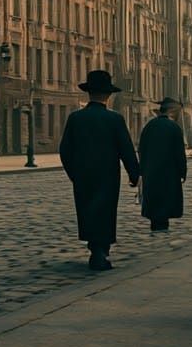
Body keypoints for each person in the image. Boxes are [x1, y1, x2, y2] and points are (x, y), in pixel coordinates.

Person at [58, 69, 140, 270]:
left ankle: (94, 248)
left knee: (87, 210)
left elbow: (65, 150)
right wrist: (135, 174)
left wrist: (74, 174)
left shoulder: (76, 118)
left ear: (89, 93)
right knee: (105, 212)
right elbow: (126, 150)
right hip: (108, 176)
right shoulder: (115, 119)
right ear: (109, 95)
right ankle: (100, 251)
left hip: (83, 176)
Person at [139, 97, 187, 233]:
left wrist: (142, 170)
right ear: (172, 110)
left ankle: (156, 225)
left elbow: (141, 149)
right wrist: (182, 173)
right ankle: (162, 227)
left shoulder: (149, 126)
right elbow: (179, 154)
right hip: (169, 175)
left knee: (154, 203)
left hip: (151, 174)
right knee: (165, 202)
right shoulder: (174, 128)